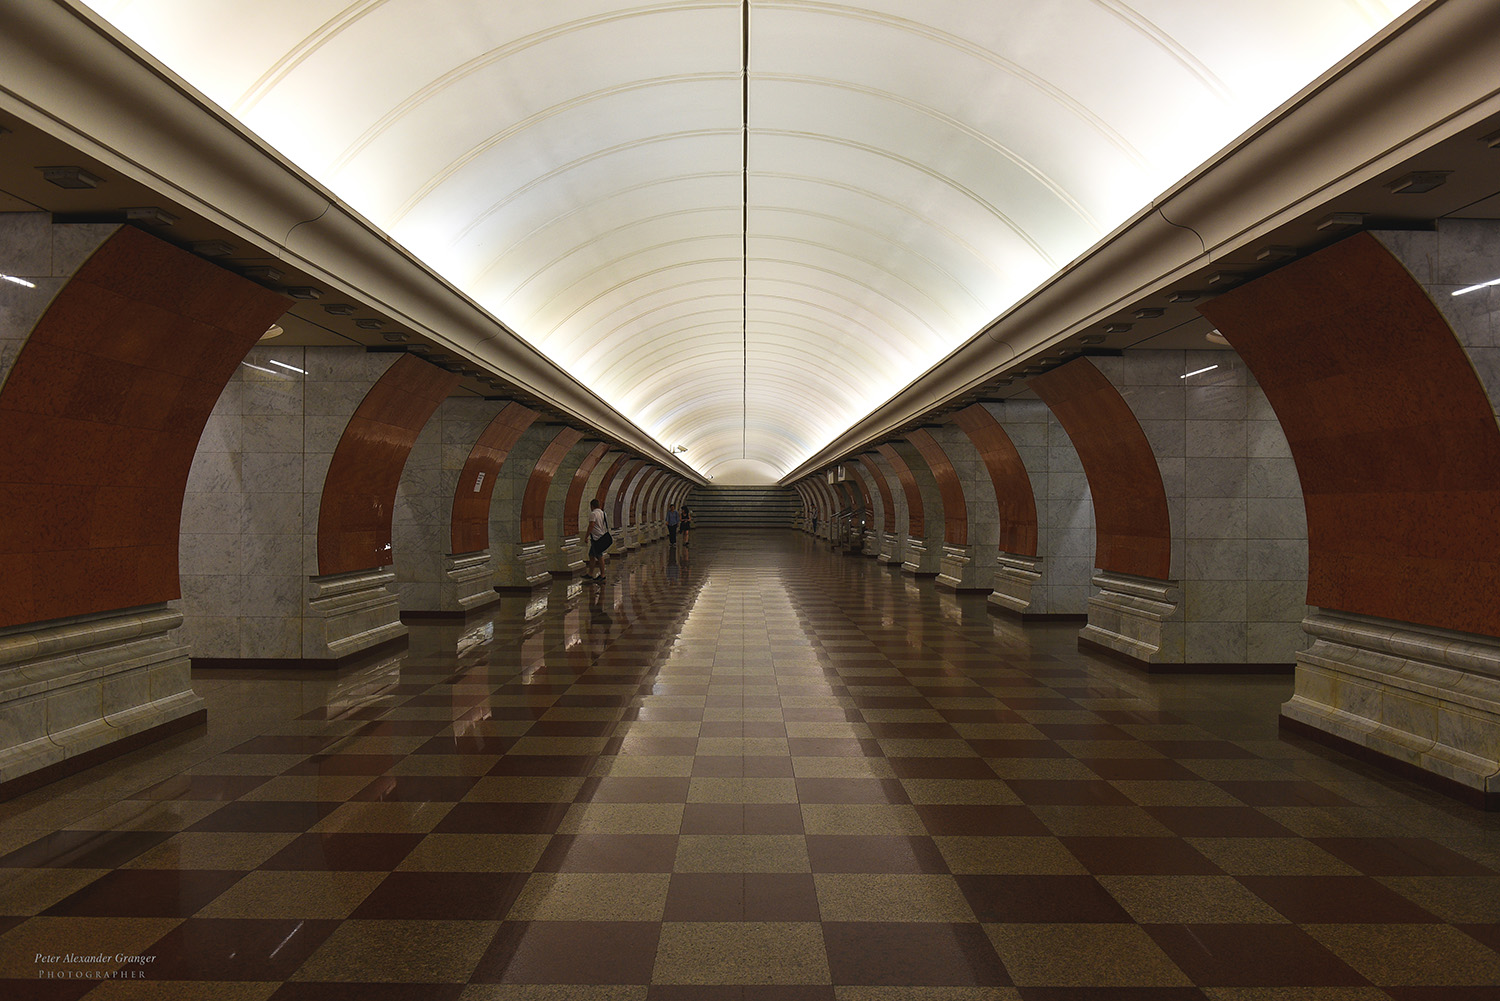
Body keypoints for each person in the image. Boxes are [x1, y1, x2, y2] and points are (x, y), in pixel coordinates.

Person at [585, 497, 611, 581]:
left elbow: (591, 525)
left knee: (599, 556)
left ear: (592, 506)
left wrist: (586, 536)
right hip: (602, 536)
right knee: (592, 555)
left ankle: (602, 575)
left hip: (596, 538)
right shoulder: (603, 513)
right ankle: (590, 574)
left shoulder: (593, 514)